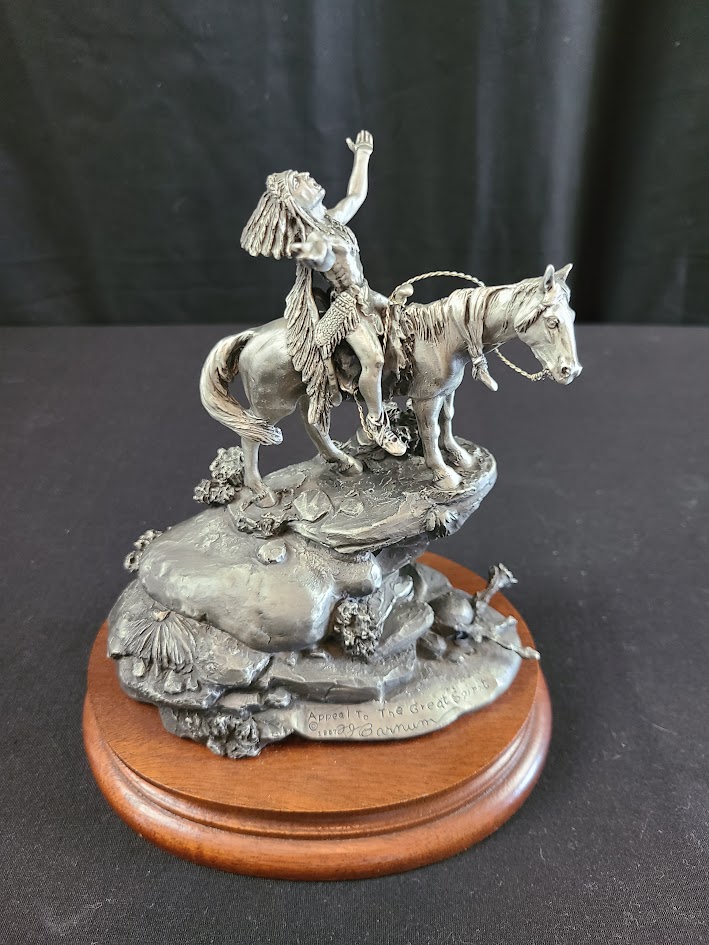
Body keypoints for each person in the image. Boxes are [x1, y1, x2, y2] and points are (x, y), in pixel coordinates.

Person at [240, 130, 406, 456]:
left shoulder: (331, 219)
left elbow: (356, 195)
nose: (307, 176)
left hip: (366, 293)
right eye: (298, 181)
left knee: (406, 323)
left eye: (301, 175)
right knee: (373, 359)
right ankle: (377, 422)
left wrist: (362, 155)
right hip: (348, 305)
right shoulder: (316, 239)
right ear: (293, 203)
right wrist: (314, 256)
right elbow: (324, 258)